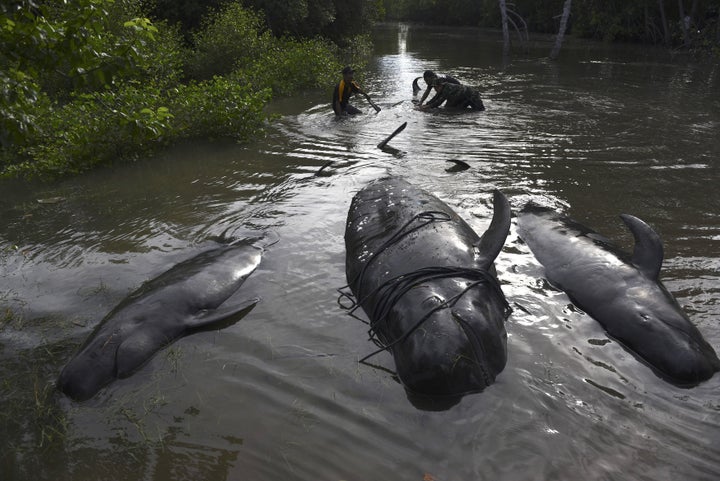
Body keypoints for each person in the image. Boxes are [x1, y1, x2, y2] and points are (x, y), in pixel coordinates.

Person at [420, 78, 485, 111]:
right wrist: (425, 105)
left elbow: (439, 102)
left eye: (436, 87)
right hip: (462, 98)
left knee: (480, 111)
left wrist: (426, 107)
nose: (434, 89)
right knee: (451, 110)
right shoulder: (442, 89)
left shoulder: (447, 89)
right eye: (434, 87)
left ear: (440, 86)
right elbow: (435, 98)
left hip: (473, 95)